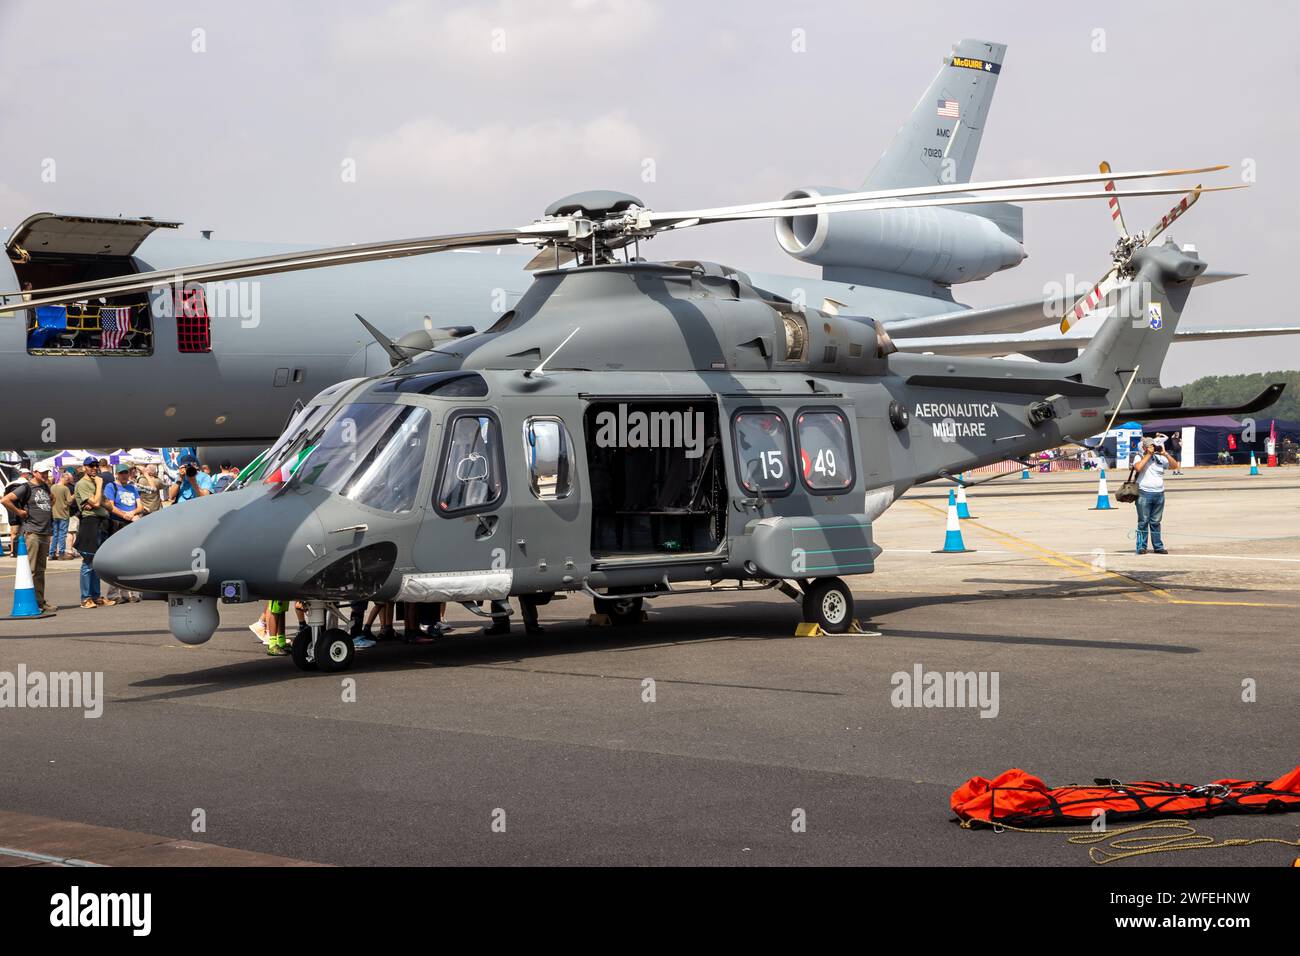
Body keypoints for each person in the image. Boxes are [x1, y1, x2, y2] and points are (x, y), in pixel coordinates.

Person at [2, 465, 56, 612]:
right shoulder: (26, 487)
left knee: (40, 570)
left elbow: (53, 499)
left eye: (46, 472)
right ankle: (30, 602)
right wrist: (19, 512)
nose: (45, 475)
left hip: (44, 531)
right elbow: (5, 500)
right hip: (32, 532)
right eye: (43, 472)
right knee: (31, 569)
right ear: (35, 473)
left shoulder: (45, 487)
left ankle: (40, 601)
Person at [74, 458, 112, 608]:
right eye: (91, 466)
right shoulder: (84, 484)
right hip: (90, 524)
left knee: (96, 563)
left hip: (100, 522)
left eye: (96, 465)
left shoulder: (94, 483)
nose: (95, 468)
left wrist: (97, 501)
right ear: (85, 468)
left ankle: (96, 596)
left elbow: (105, 503)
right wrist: (99, 487)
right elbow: (96, 503)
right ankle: (86, 598)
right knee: (88, 562)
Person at [103, 463, 142, 603]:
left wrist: (133, 513)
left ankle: (132, 592)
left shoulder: (132, 487)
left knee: (133, 558)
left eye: (126, 472)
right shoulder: (111, 487)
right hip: (118, 523)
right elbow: (110, 506)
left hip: (132, 522)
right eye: (121, 473)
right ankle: (114, 593)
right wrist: (125, 515)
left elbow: (140, 505)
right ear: (117, 474)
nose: (124, 475)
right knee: (117, 558)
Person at [1132, 435, 1177, 555]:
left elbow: (1174, 466)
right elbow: (1138, 468)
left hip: (1159, 494)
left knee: (1156, 522)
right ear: (1145, 448)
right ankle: (1141, 546)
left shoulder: (1159, 458)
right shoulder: (1139, 456)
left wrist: (1165, 453)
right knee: (1143, 522)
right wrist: (1148, 454)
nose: (1153, 448)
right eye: (1150, 446)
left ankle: (1158, 546)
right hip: (1143, 493)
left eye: (1154, 446)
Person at [48, 471, 74, 560]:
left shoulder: (52, 487)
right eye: (69, 480)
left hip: (54, 514)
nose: (69, 482)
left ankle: (52, 553)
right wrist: (73, 496)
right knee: (62, 534)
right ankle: (61, 553)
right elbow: (70, 501)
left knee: (55, 534)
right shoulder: (65, 489)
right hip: (64, 514)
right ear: (66, 479)